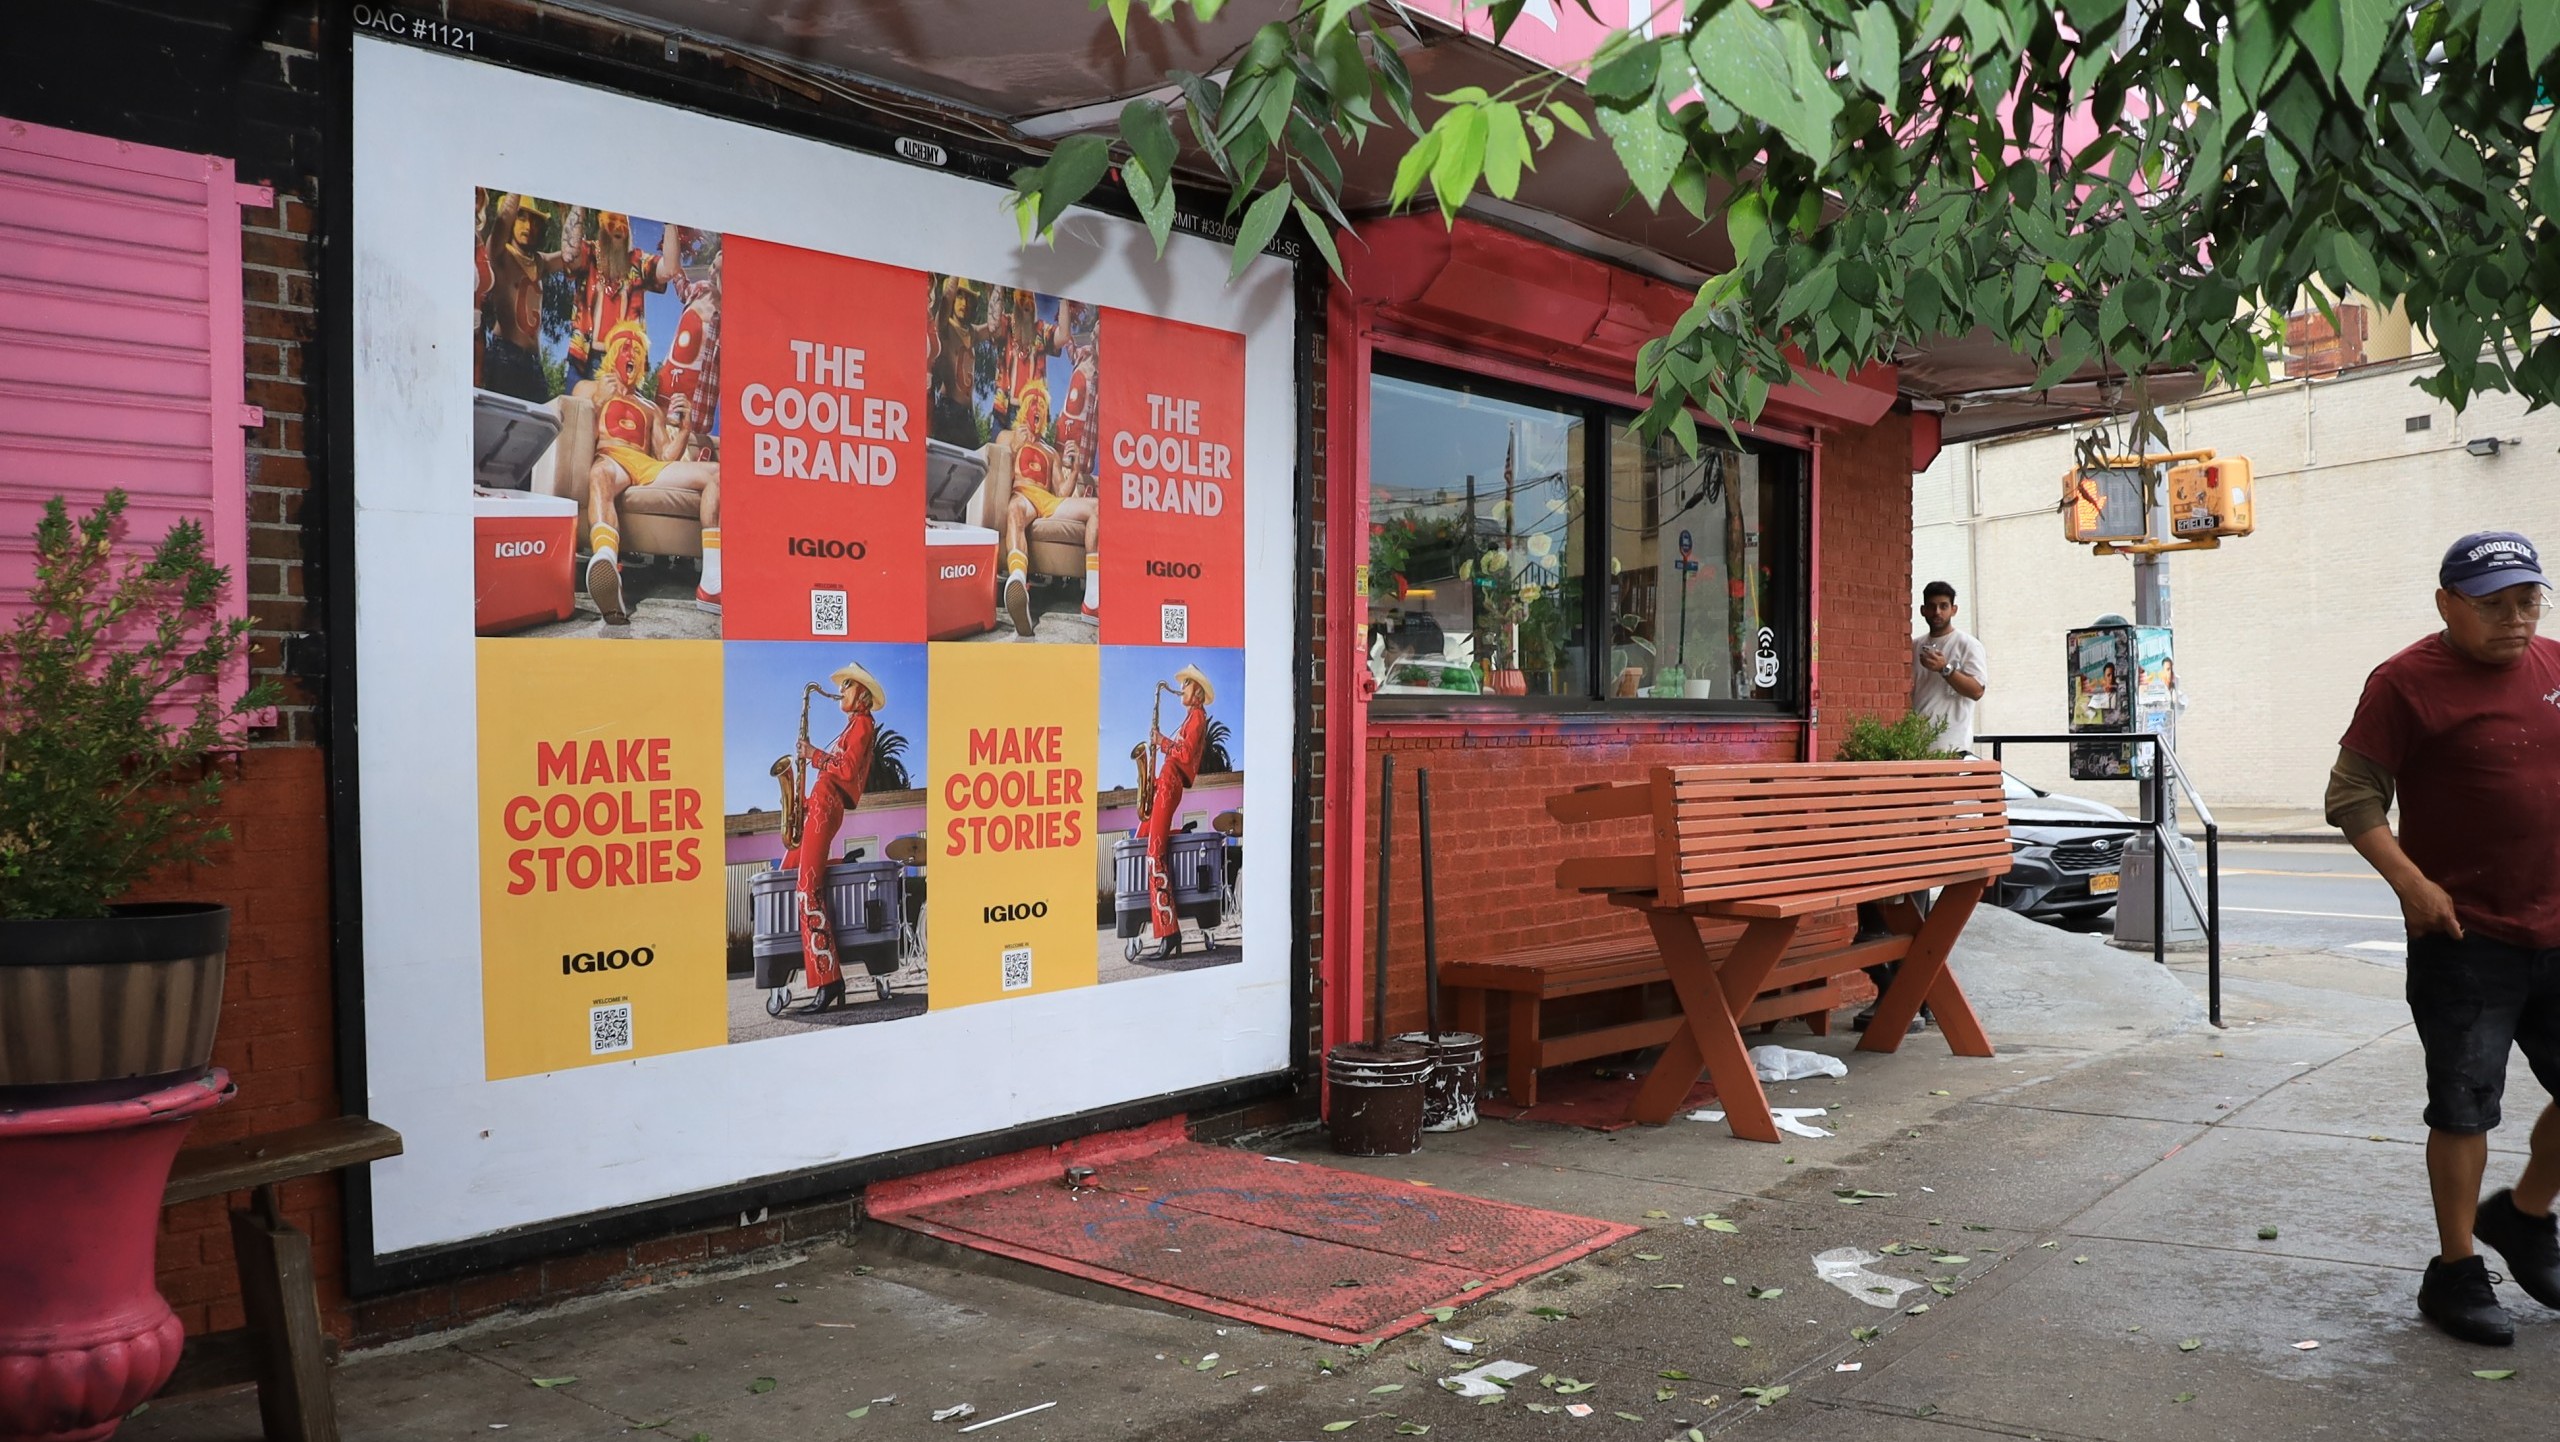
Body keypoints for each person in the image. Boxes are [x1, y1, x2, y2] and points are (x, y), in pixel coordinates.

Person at [2327, 530, 2560, 1346]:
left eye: (2528, 601)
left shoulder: (2558, 665)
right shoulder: (2405, 682)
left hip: (2559, 924)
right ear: (2446, 605)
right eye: (2493, 605)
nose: (2515, 620)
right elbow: (2352, 793)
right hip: (2465, 932)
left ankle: (2525, 1215)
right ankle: (2456, 1270)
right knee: (2465, 1108)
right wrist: (2413, 885)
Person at [573, 320, 722, 622]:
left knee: (719, 474)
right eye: (625, 347)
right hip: (611, 457)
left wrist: (684, 428)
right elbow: (573, 428)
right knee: (599, 474)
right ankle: (605, 560)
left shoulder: (651, 407)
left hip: (647, 465)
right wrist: (600, 399)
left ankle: (712, 584)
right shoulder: (588, 388)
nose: (632, 353)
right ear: (613, 352)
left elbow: (667, 454)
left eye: (637, 350)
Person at [791, 662, 883, 1011]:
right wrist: (804, 803)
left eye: (847, 685)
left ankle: (828, 982)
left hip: (828, 807)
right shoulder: (851, 727)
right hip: (822, 805)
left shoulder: (862, 724)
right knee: (793, 872)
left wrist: (813, 755)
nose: (841, 691)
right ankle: (828, 981)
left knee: (807, 889)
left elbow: (844, 771)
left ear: (862, 693)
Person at [1142, 665, 1214, 957]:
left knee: (1154, 854)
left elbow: (1183, 755)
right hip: (1167, 782)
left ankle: (1169, 933)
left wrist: (1161, 742)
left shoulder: (1197, 716)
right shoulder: (1190, 718)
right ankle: (1167, 932)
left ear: (1196, 690)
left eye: (1185, 685)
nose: (1181, 689)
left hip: (1171, 783)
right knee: (1147, 842)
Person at [475, 193, 569, 403]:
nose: (529, 226)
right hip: (505, 355)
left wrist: (566, 216)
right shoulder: (500, 254)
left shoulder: (540, 262)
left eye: (535, 221)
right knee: (501, 423)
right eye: (522, 218)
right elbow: (502, 221)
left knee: (538, 429)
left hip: (534, 362)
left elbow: (570, 256)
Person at [1912, 580, 1989, 754]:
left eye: (1943, 606)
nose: (1937, 612)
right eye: (1931, 606)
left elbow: (1977, 691)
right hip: (1915, 746)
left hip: (1952, 747)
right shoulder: (1914, 646)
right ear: (1922, 610)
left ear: (1953, 610)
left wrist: (1944, 669)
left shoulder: (1968, 645)